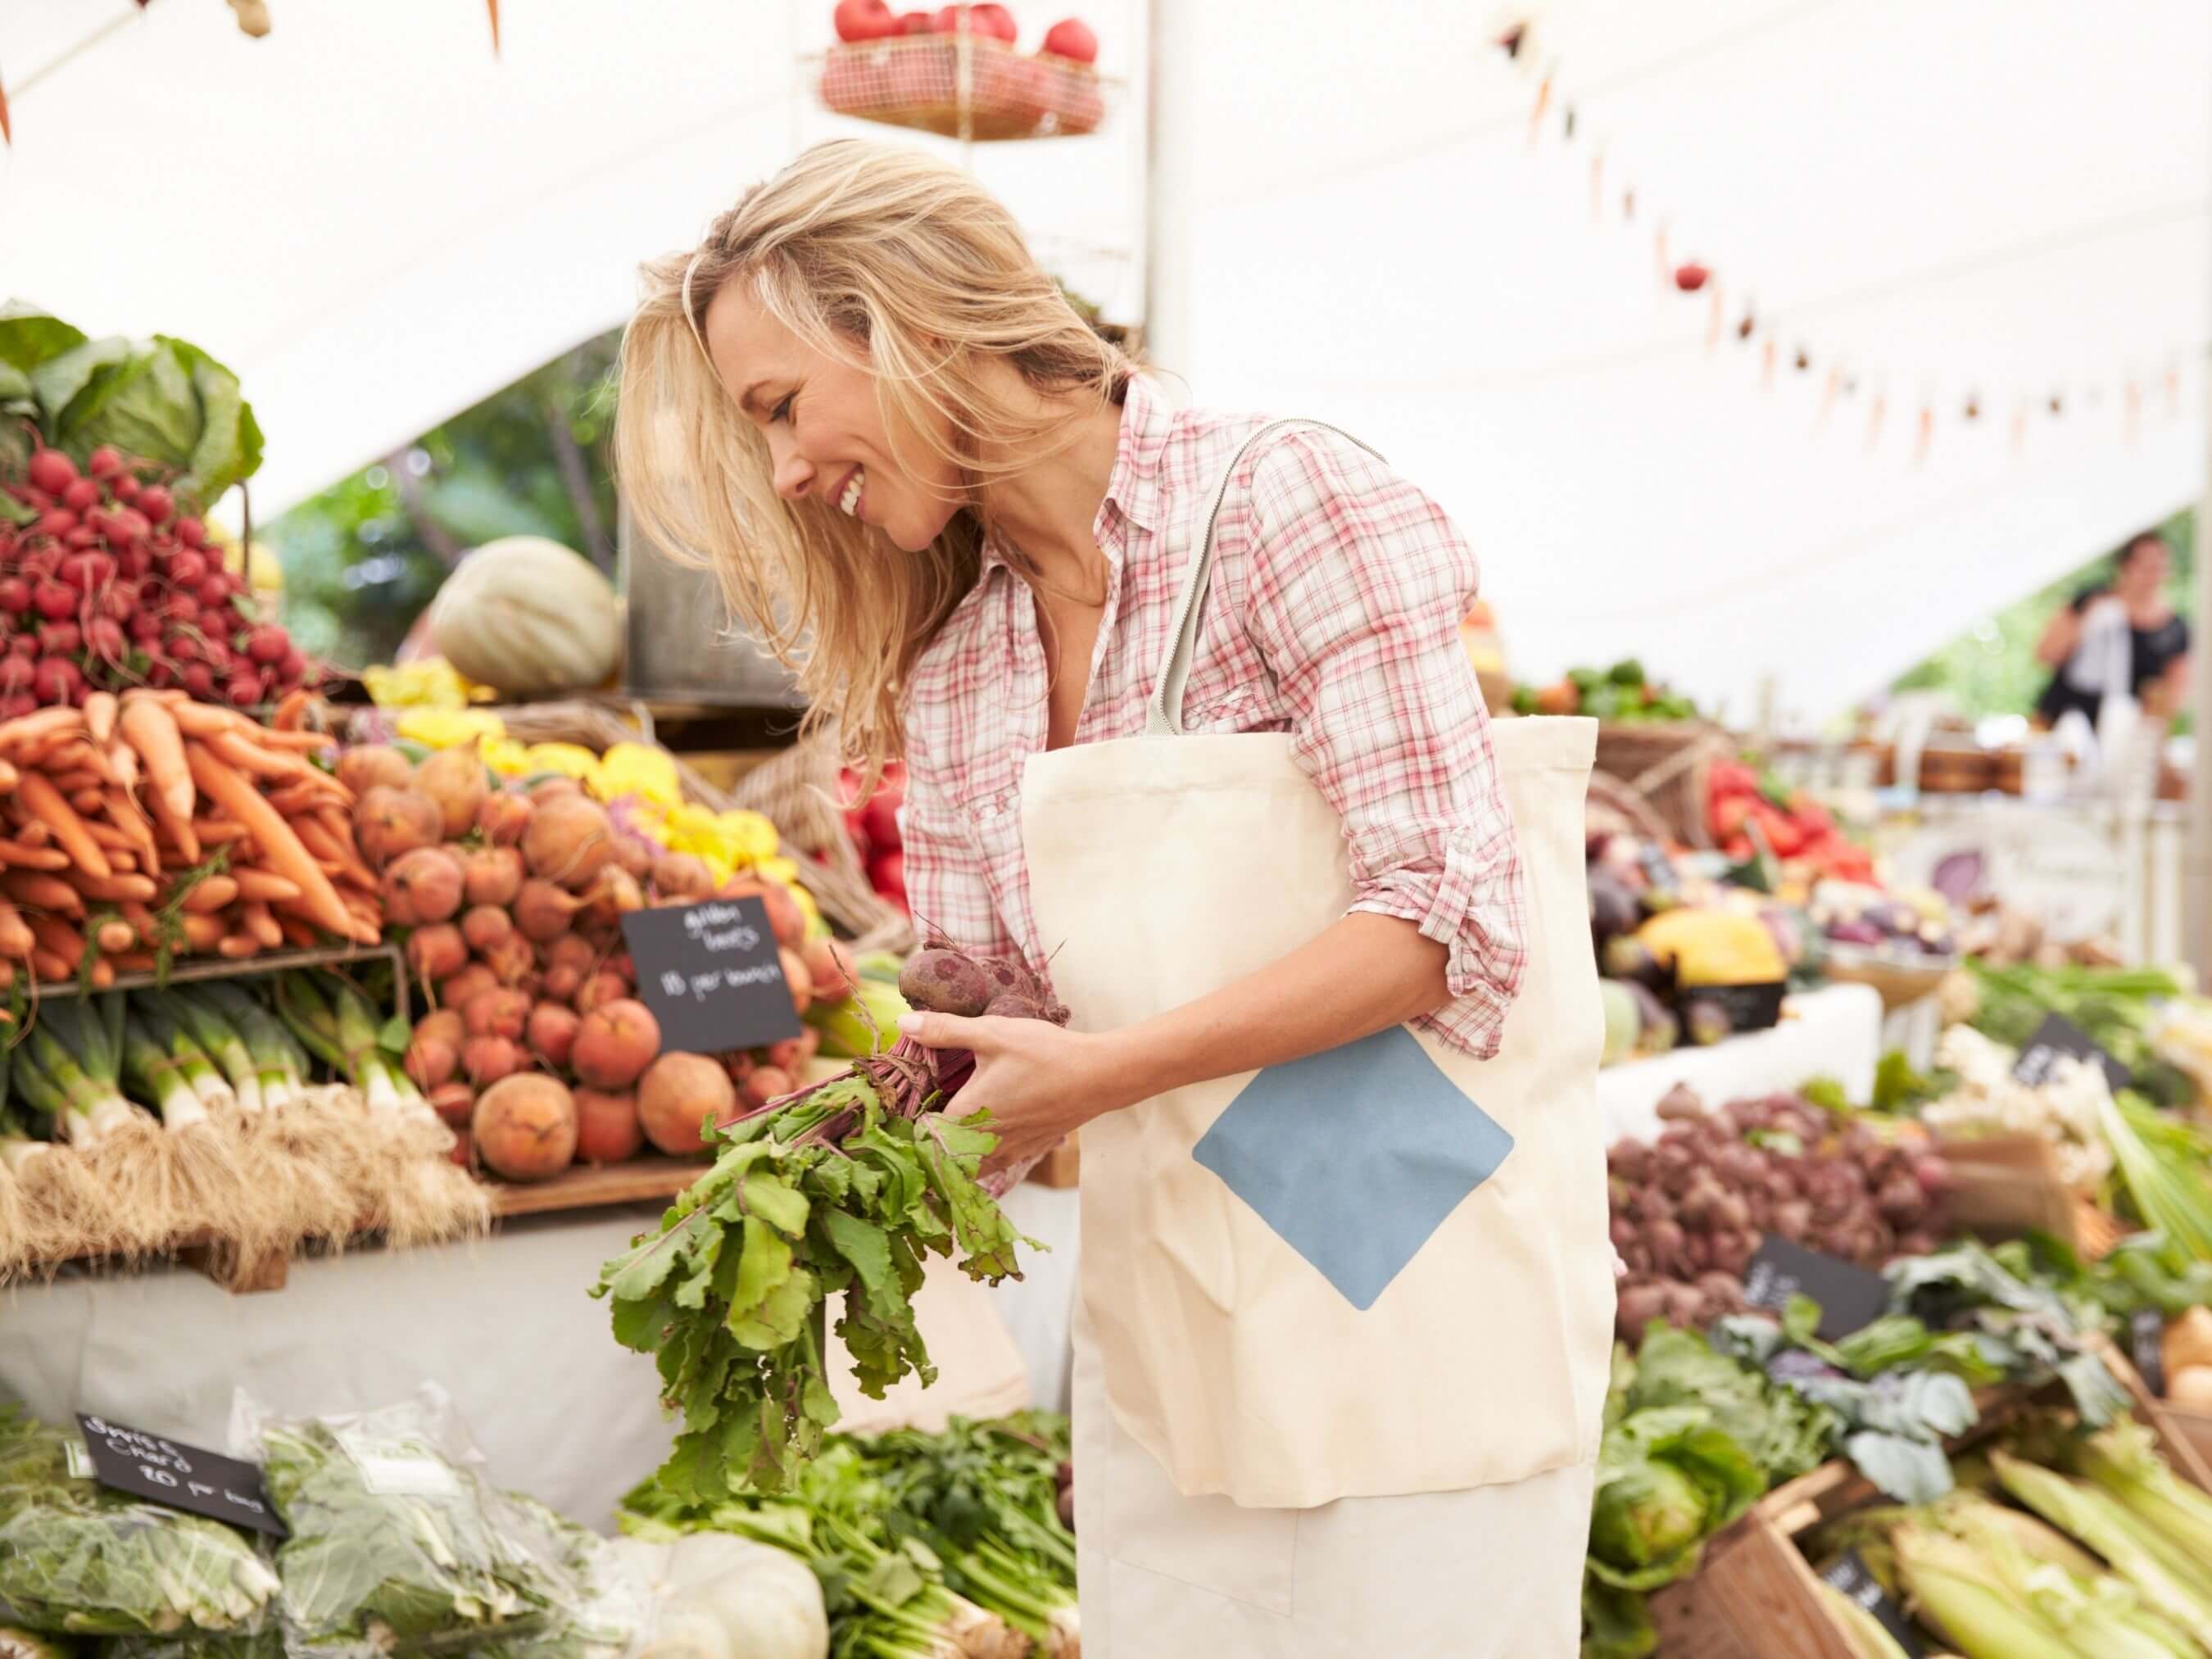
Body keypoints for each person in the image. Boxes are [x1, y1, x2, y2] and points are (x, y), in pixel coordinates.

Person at [614, 139, 1611, 1657]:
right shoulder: (965, 661)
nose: (787, 473)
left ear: (905, 324)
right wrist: (827, 1155)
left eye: (779, 408)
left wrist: (1100, 1076)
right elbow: (1001, 1014)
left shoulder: (1290, 504)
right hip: (1189, 1303)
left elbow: (1438, 925)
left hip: (1411, 1266)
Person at [2034, 530, 2190, 732]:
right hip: (2063, 719)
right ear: (2124, 567)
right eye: (2145, 566)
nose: (2153, 575)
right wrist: (2086, 622)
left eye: (2159, 567)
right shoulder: (2091, 601)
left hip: (2123, 733)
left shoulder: (2174, 629)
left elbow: (2174, 696)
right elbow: (2045, 655)